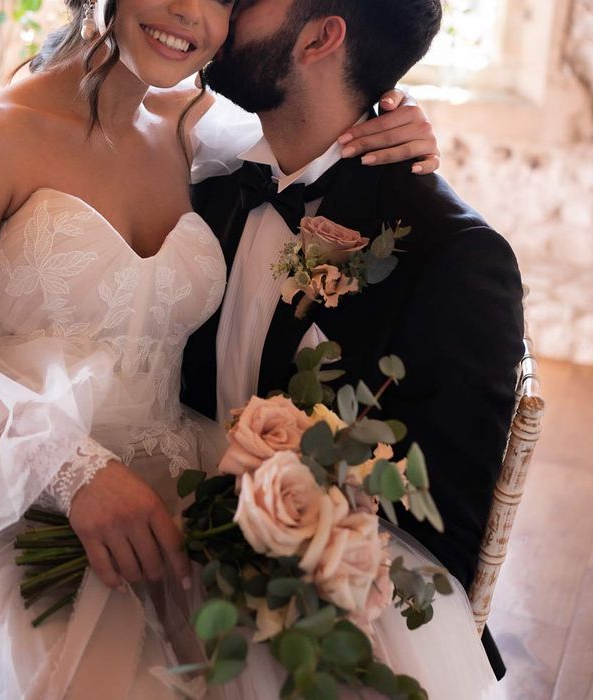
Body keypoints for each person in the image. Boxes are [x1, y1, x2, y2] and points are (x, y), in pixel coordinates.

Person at [0, 0, 481, 699]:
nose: (188, 13)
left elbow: (308, 130)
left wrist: (387, 112)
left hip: (182, 501)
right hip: (12, 512)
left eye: (223, 0)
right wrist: (71, 471)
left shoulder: (195, 133)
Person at [182, 0, 525, 684]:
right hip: (165, 527)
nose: (223, 8)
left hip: (312, 613)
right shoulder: (209, 177)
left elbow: (442, 534)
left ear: (320, 39)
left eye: (248, 3)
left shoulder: (449, 256)